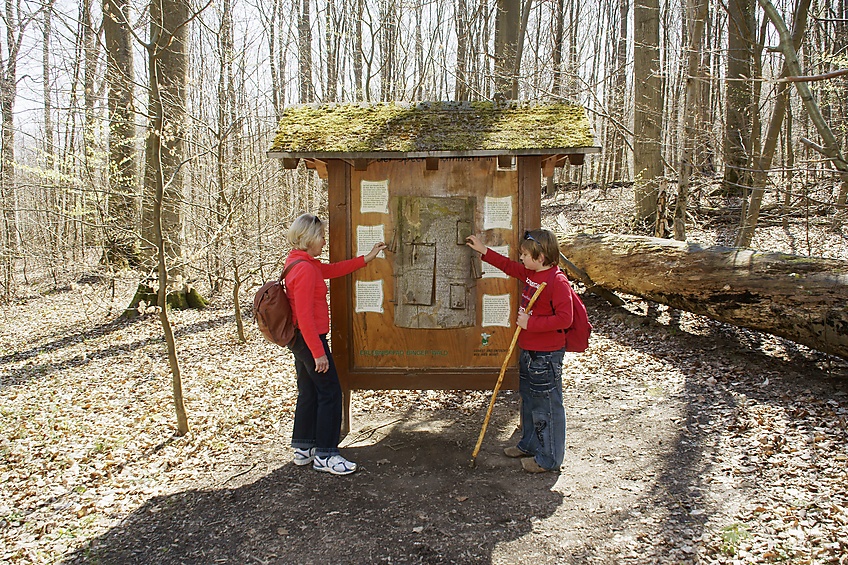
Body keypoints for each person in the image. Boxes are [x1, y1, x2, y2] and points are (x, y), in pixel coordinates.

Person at [284, 213, 386, 475]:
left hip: (301, 341)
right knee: (330, 393)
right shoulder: (305, 269)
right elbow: (306, 317)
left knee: (308, 392)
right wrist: (319, 353)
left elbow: (333, 270)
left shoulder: (300, 262)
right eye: (320, 236)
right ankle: (326, 455)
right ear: (307, 238)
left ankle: (304, 446)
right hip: (311, 340)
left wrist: (367, 258)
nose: (323, 240)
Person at [466, 229, 574, 473]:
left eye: (526, 254)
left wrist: (531, 323)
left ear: (542, 255)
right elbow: (510, 267)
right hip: (528, 351)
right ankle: (530, 444)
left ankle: (549, 459)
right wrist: (484, 251)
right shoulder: (532, 273)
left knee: (546, 404)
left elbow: (565, 319)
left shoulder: (557, 281)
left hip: (546, 355)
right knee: (529, 399)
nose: (522, 258)